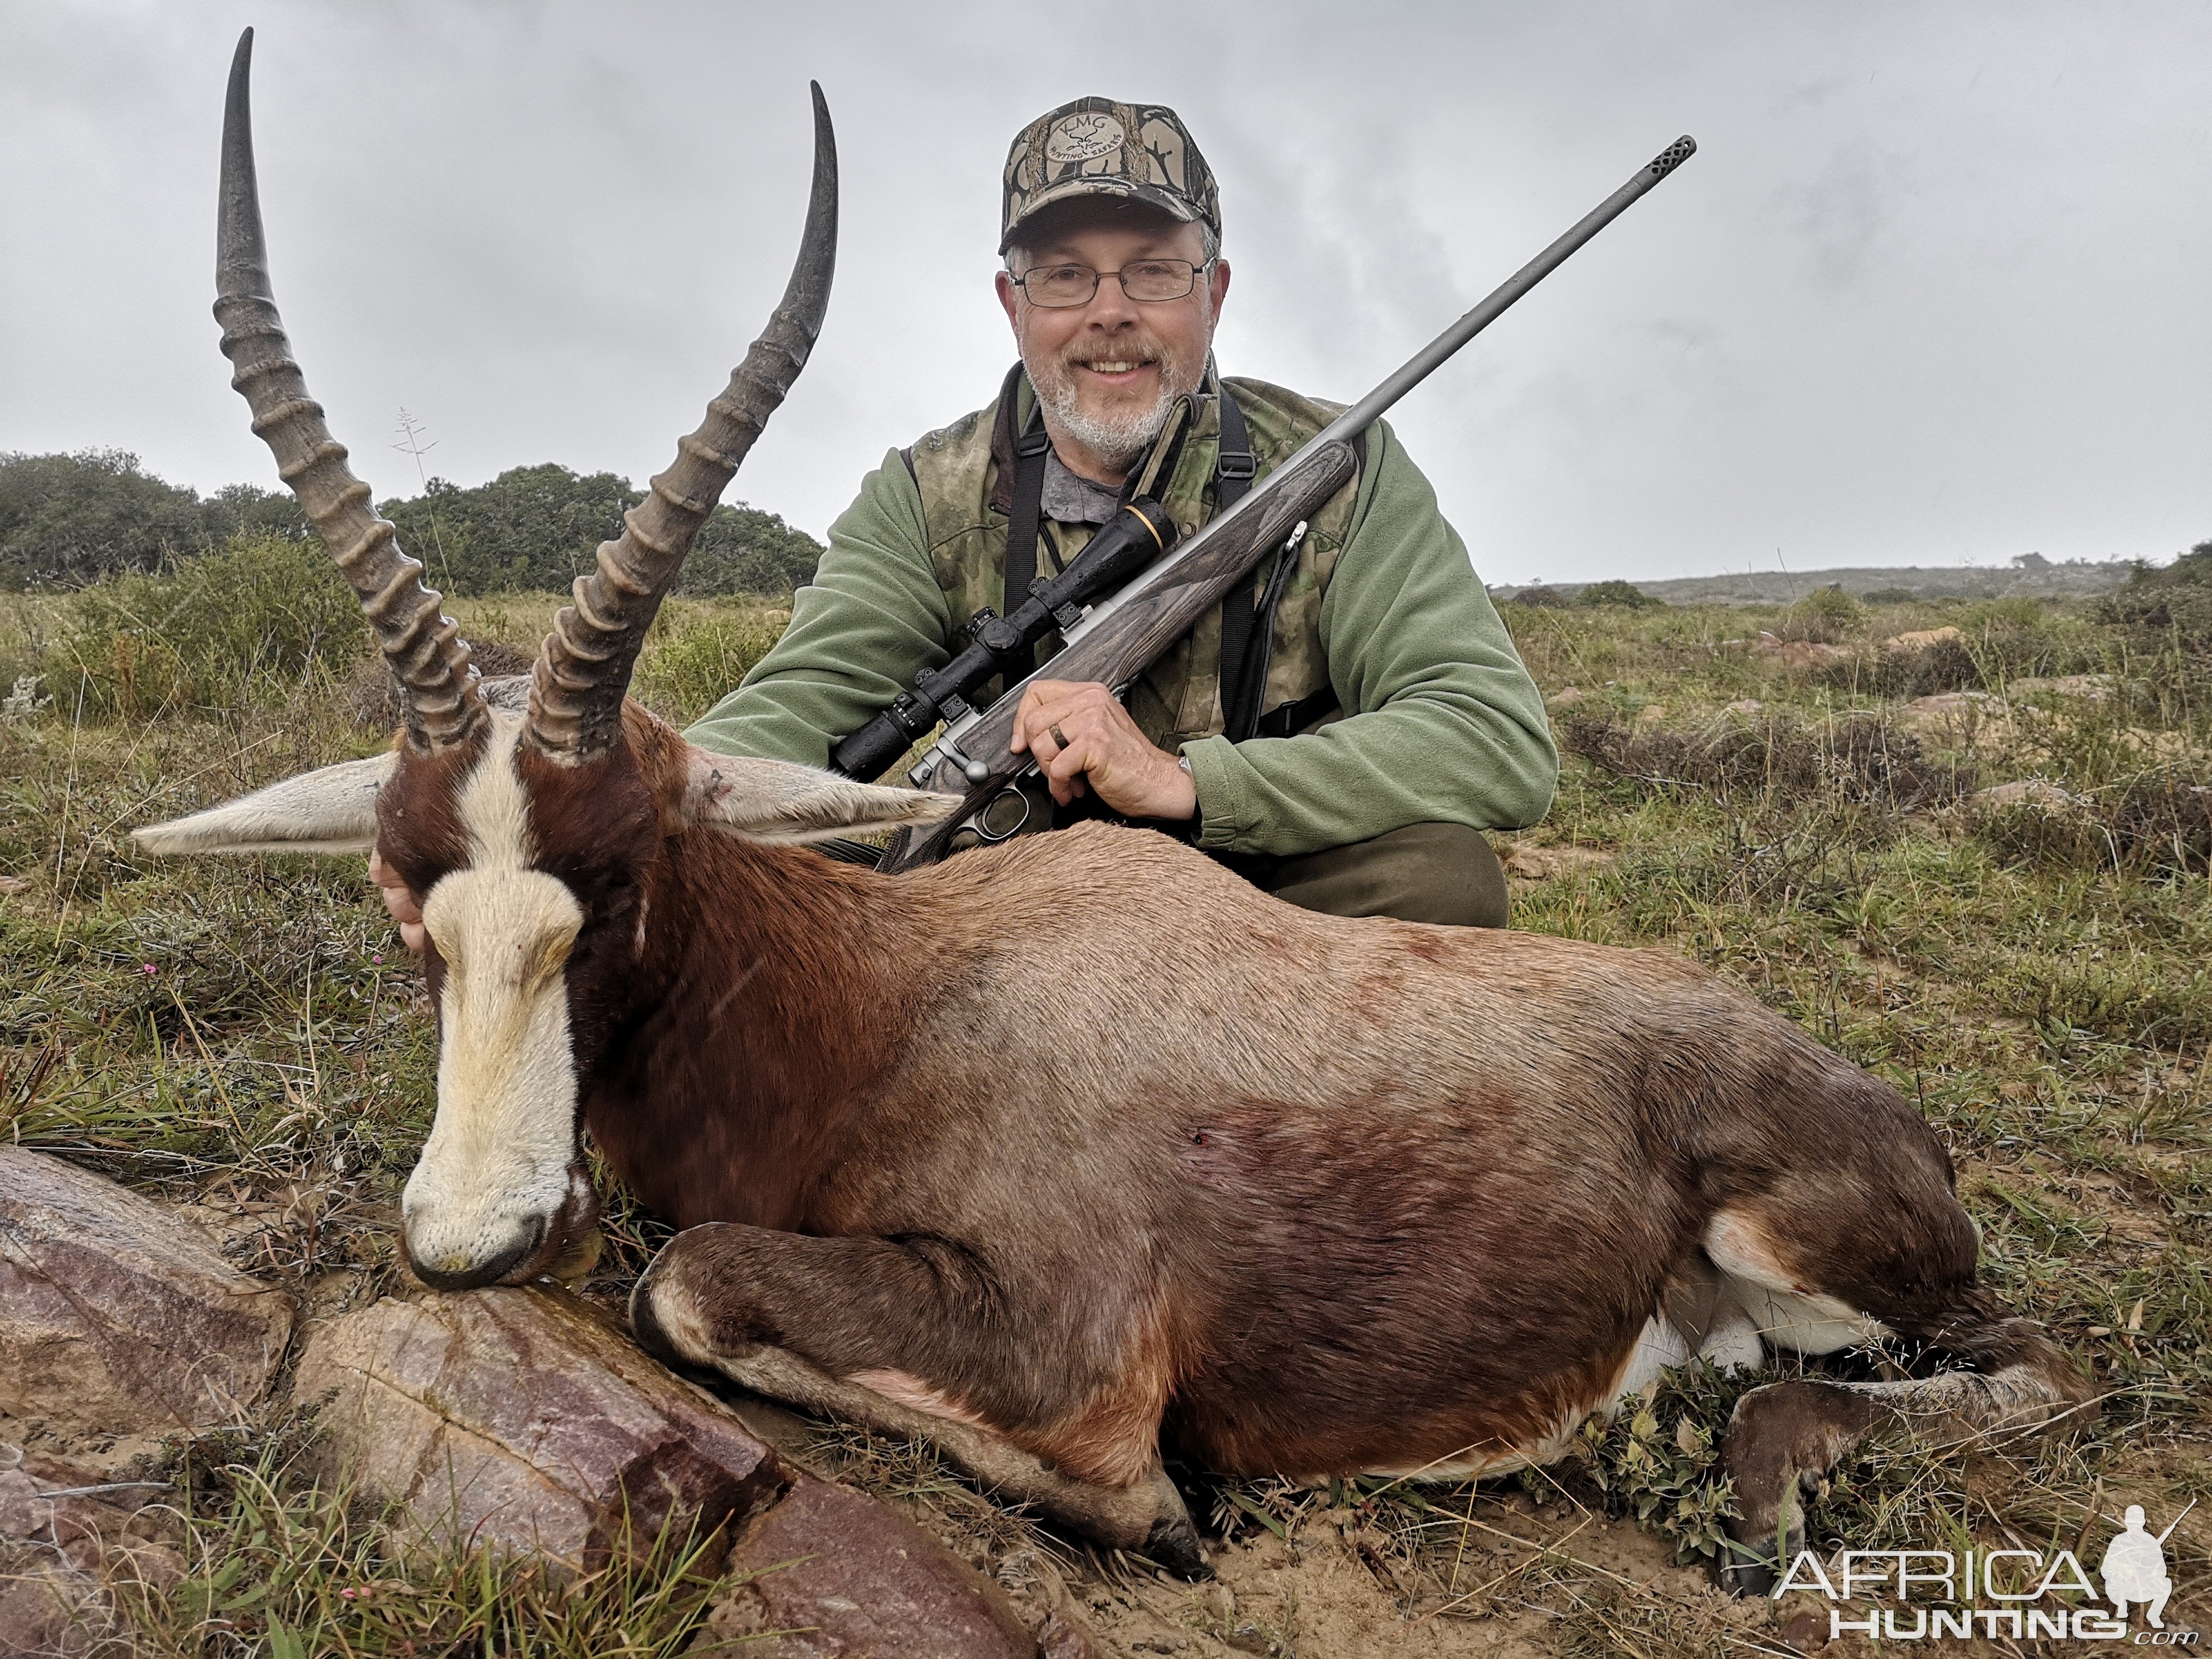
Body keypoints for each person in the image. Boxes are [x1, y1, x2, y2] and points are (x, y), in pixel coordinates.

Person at [375, 96, 1554, 943]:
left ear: (1214, 292)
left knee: (1439, 878)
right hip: (998, 911)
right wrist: (562, 815)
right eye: (1064, 276)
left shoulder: (1339, 465)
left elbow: (1494, 742)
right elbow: (802, 702)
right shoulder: (924, 492)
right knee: (780, 900)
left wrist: (1188, 781)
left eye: (1152, 271)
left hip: (1263, 900)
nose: (1109, 316)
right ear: (1011, 302)